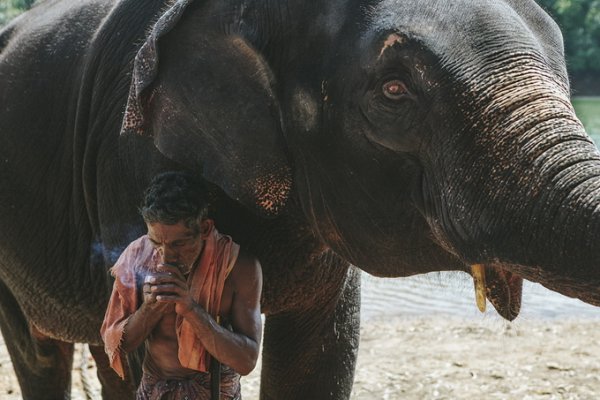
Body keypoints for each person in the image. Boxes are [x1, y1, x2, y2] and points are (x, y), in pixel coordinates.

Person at [101, 171, 262, 400]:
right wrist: (150, 309)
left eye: (179, 244)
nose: (166, 257)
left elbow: (246, 361)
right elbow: (119, 347)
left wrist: (190, 309)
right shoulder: (137, 256)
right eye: (156, 242)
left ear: (205, 229)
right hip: (156, 390)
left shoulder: (239, 267)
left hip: (215, 393)